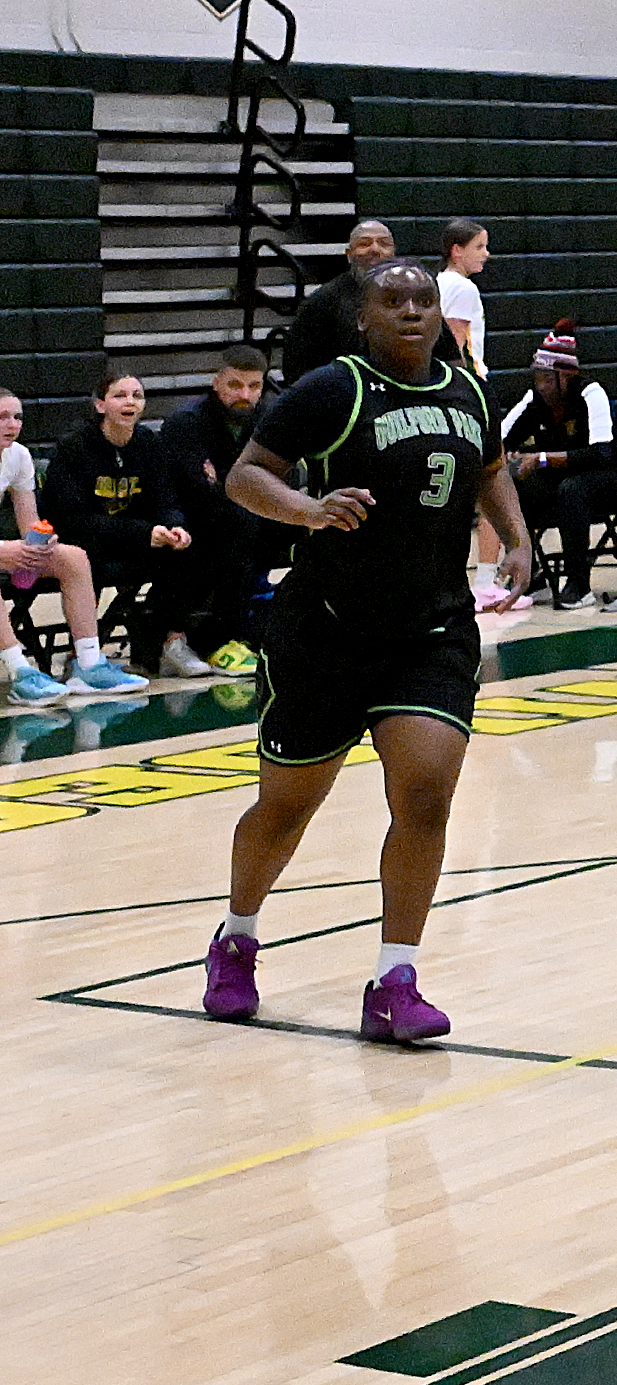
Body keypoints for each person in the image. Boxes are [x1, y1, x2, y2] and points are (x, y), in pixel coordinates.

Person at [200, 260, 534, 1040]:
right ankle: (236, 936)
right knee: (287, 807)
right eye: (395, 301)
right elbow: (246, 478)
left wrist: (515, 535)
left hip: (431, 629)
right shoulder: (330, 390)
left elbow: (488, 468)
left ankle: (395, 978)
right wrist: (310, 510)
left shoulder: (469, 390)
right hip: (325, 629)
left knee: (425, 792)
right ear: (364, 317)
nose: (413, 311)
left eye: (424, 300)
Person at [41, 371, 208, 678]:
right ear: (100, 405)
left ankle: (171, 643)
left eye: (137, 395)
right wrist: (143, 533)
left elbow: (164, 499)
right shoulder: (74, 447)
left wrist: (174, 526)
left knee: (185, 550)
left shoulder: (148, 443)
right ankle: (82, 656)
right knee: (81, 559)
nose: (130, 401)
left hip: (134, 539)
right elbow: (71, 519)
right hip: (84, 540)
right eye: (120, 395)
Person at [0, 387, 145, 702]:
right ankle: (20, 672)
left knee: (73, 557)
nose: (12, 424)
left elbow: (28, 522)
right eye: (2, 417)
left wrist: (40, 540)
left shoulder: (19, 456)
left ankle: (88, 664)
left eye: (17, 417)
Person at [159, 346, 274, 674]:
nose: (245, 395)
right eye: (235, 385)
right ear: (216, 382)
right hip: (190, 516)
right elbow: (196, 488)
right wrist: (239, 482)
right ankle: (223, 638)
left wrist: (223, 478)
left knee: (312, 527)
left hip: (251, 514)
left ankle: (290, 626)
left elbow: (283, 475)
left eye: (254, 387)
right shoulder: (186, 422)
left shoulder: (268, 418)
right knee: (239, 525)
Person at [501, 323, 617, 609]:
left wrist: (543, 458)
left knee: (572, 490)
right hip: (561, 482)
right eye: (538, 377)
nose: (541, 385)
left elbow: (602, 454)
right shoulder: (534, 400)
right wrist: (504, 461)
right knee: (513, 485)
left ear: (566, 376)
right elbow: (497, 439)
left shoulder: (591, 394)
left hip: (610, 479)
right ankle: (530, 573)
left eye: (548, 378)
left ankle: (579, 583)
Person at [282, 220, 463, 383]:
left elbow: (452, 361)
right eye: (364, 243)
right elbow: (295, 369)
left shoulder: (418, 300)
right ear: (349, 254)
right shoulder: (323, 302)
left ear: (393, 252)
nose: (375, 249)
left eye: (383, 243)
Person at [437, 218, 491, 377]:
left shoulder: (440, 280)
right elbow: (457, 343)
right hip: (469, 376)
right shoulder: (464, 288)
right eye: (479, 247)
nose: (486, 253)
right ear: (457, 251)